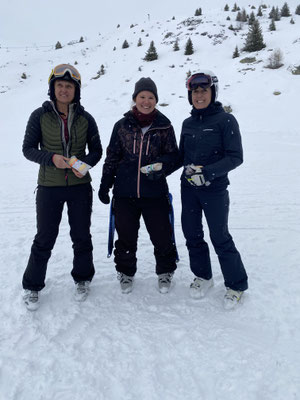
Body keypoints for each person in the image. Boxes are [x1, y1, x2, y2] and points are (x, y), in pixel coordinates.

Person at [22, 64, 102, 310]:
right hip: (49, 186)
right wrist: (52, 158)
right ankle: (32, 286)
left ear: (76, 90)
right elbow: (28, 149)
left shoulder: (86, 118)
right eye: (60, 85)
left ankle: (82, 279)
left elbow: (97, 150)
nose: (64, 90)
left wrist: (85, 164)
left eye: (69, 86)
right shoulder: (39, 115)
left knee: (81, 235)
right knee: (45, 237)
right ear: (52, 88)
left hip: (79, 186)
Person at [98, 77, 179, 294]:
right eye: (142, 96)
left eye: (151, 97)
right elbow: (112, 157)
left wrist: (161, 168)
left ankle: (165, 271)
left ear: (156, 100)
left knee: (162, 235)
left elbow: (174, 156)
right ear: (135, 99)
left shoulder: (164, 125)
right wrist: (105, 184)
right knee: (125, 236)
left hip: (155, 193)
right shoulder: (122, 126)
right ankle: (125, 272)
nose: (146, 101)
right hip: (125, 193)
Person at [178, 70, 248, 309]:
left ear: (212, 92)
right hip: (188, 189)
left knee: (220, 236)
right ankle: (203, 276)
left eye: (204, 91)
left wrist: (207, 173)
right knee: (192, 234)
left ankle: (236, 285)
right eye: (195, 91)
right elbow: (181, 156)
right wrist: (159, 168)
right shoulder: (187, 123)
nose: (199, 95)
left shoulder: (225, 120)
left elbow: (235, 157)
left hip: (214, 189)